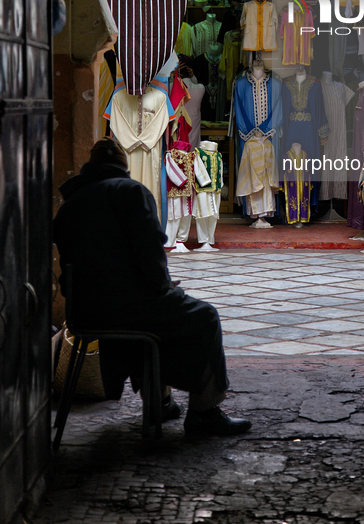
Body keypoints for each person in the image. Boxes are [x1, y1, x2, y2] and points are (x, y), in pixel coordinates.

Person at [53, 138, 251, 437]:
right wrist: (165, 287)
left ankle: (161, 401)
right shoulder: (131, 192)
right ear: (122, 166)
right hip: (128, 309)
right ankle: (204, 412)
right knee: (202, 316)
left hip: (85, 312)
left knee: (161, 314)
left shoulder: (70, 205)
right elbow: (151, 257)